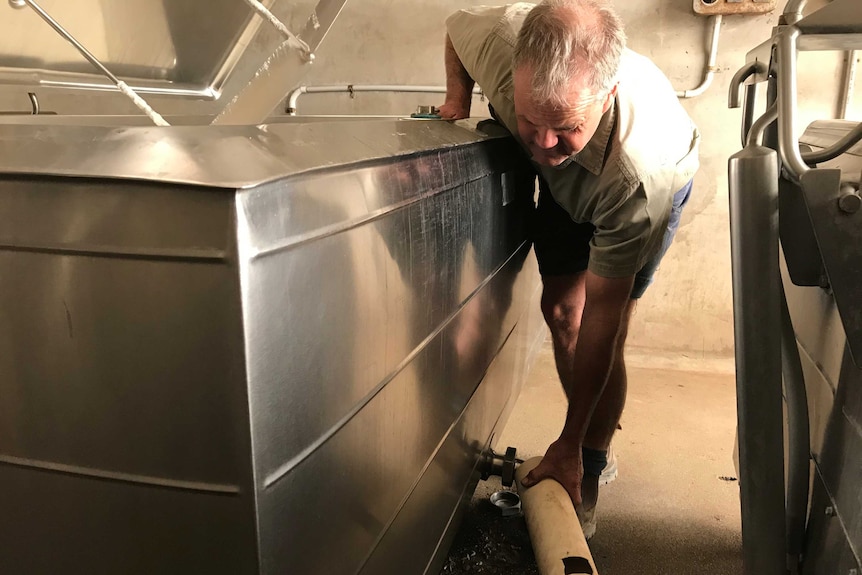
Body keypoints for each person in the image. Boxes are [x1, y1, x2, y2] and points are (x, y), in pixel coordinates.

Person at [440, 0, 700, 538]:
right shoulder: (501, 47)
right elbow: (454, 30)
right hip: (570, 185)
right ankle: (576, 448)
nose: (542, 142)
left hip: (635, 183)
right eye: (532, 120)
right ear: (515, 76)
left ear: (605, 99)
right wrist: (456, 102)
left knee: (606, 324)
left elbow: (601, 317)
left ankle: (588, 460)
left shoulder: (636, 179)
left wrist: (568, 439)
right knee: (561, 311)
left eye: (564, 126)